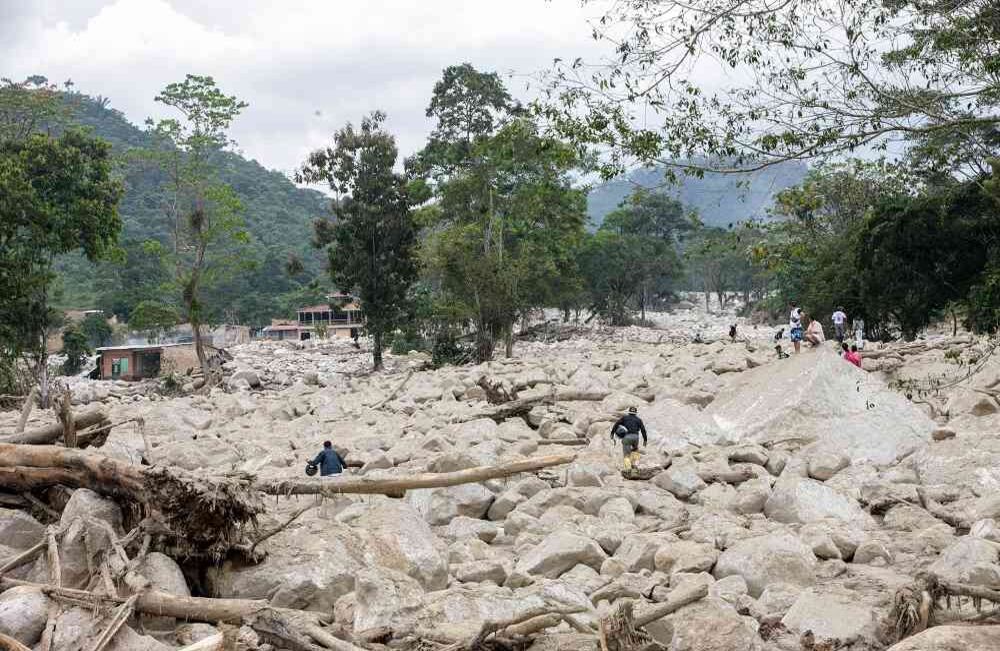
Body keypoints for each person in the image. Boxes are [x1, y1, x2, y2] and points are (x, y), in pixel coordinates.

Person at [610, 406, 648, 472]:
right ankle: (635, 469)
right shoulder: (638, 420)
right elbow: (643, 430)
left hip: (627, 437)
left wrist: (612, 433)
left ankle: (628, 470)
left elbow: (616, 424)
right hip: (636, 437)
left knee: (626, 455)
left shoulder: (625, 418)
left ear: (629, 412)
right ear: (636, 413)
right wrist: (645, 440)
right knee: (635, 452)